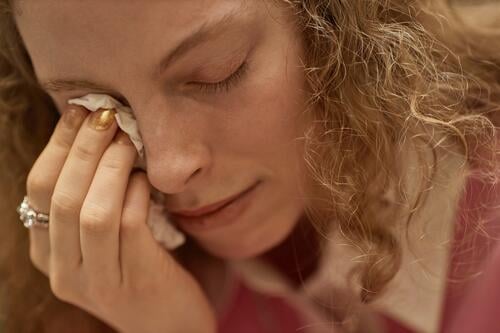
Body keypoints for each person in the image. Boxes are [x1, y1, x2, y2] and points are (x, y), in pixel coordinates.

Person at [0, 0, 499, 332]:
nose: (168, 171)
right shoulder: (99, 291)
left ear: (333, 28)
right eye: (95, 107)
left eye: (217, 72)